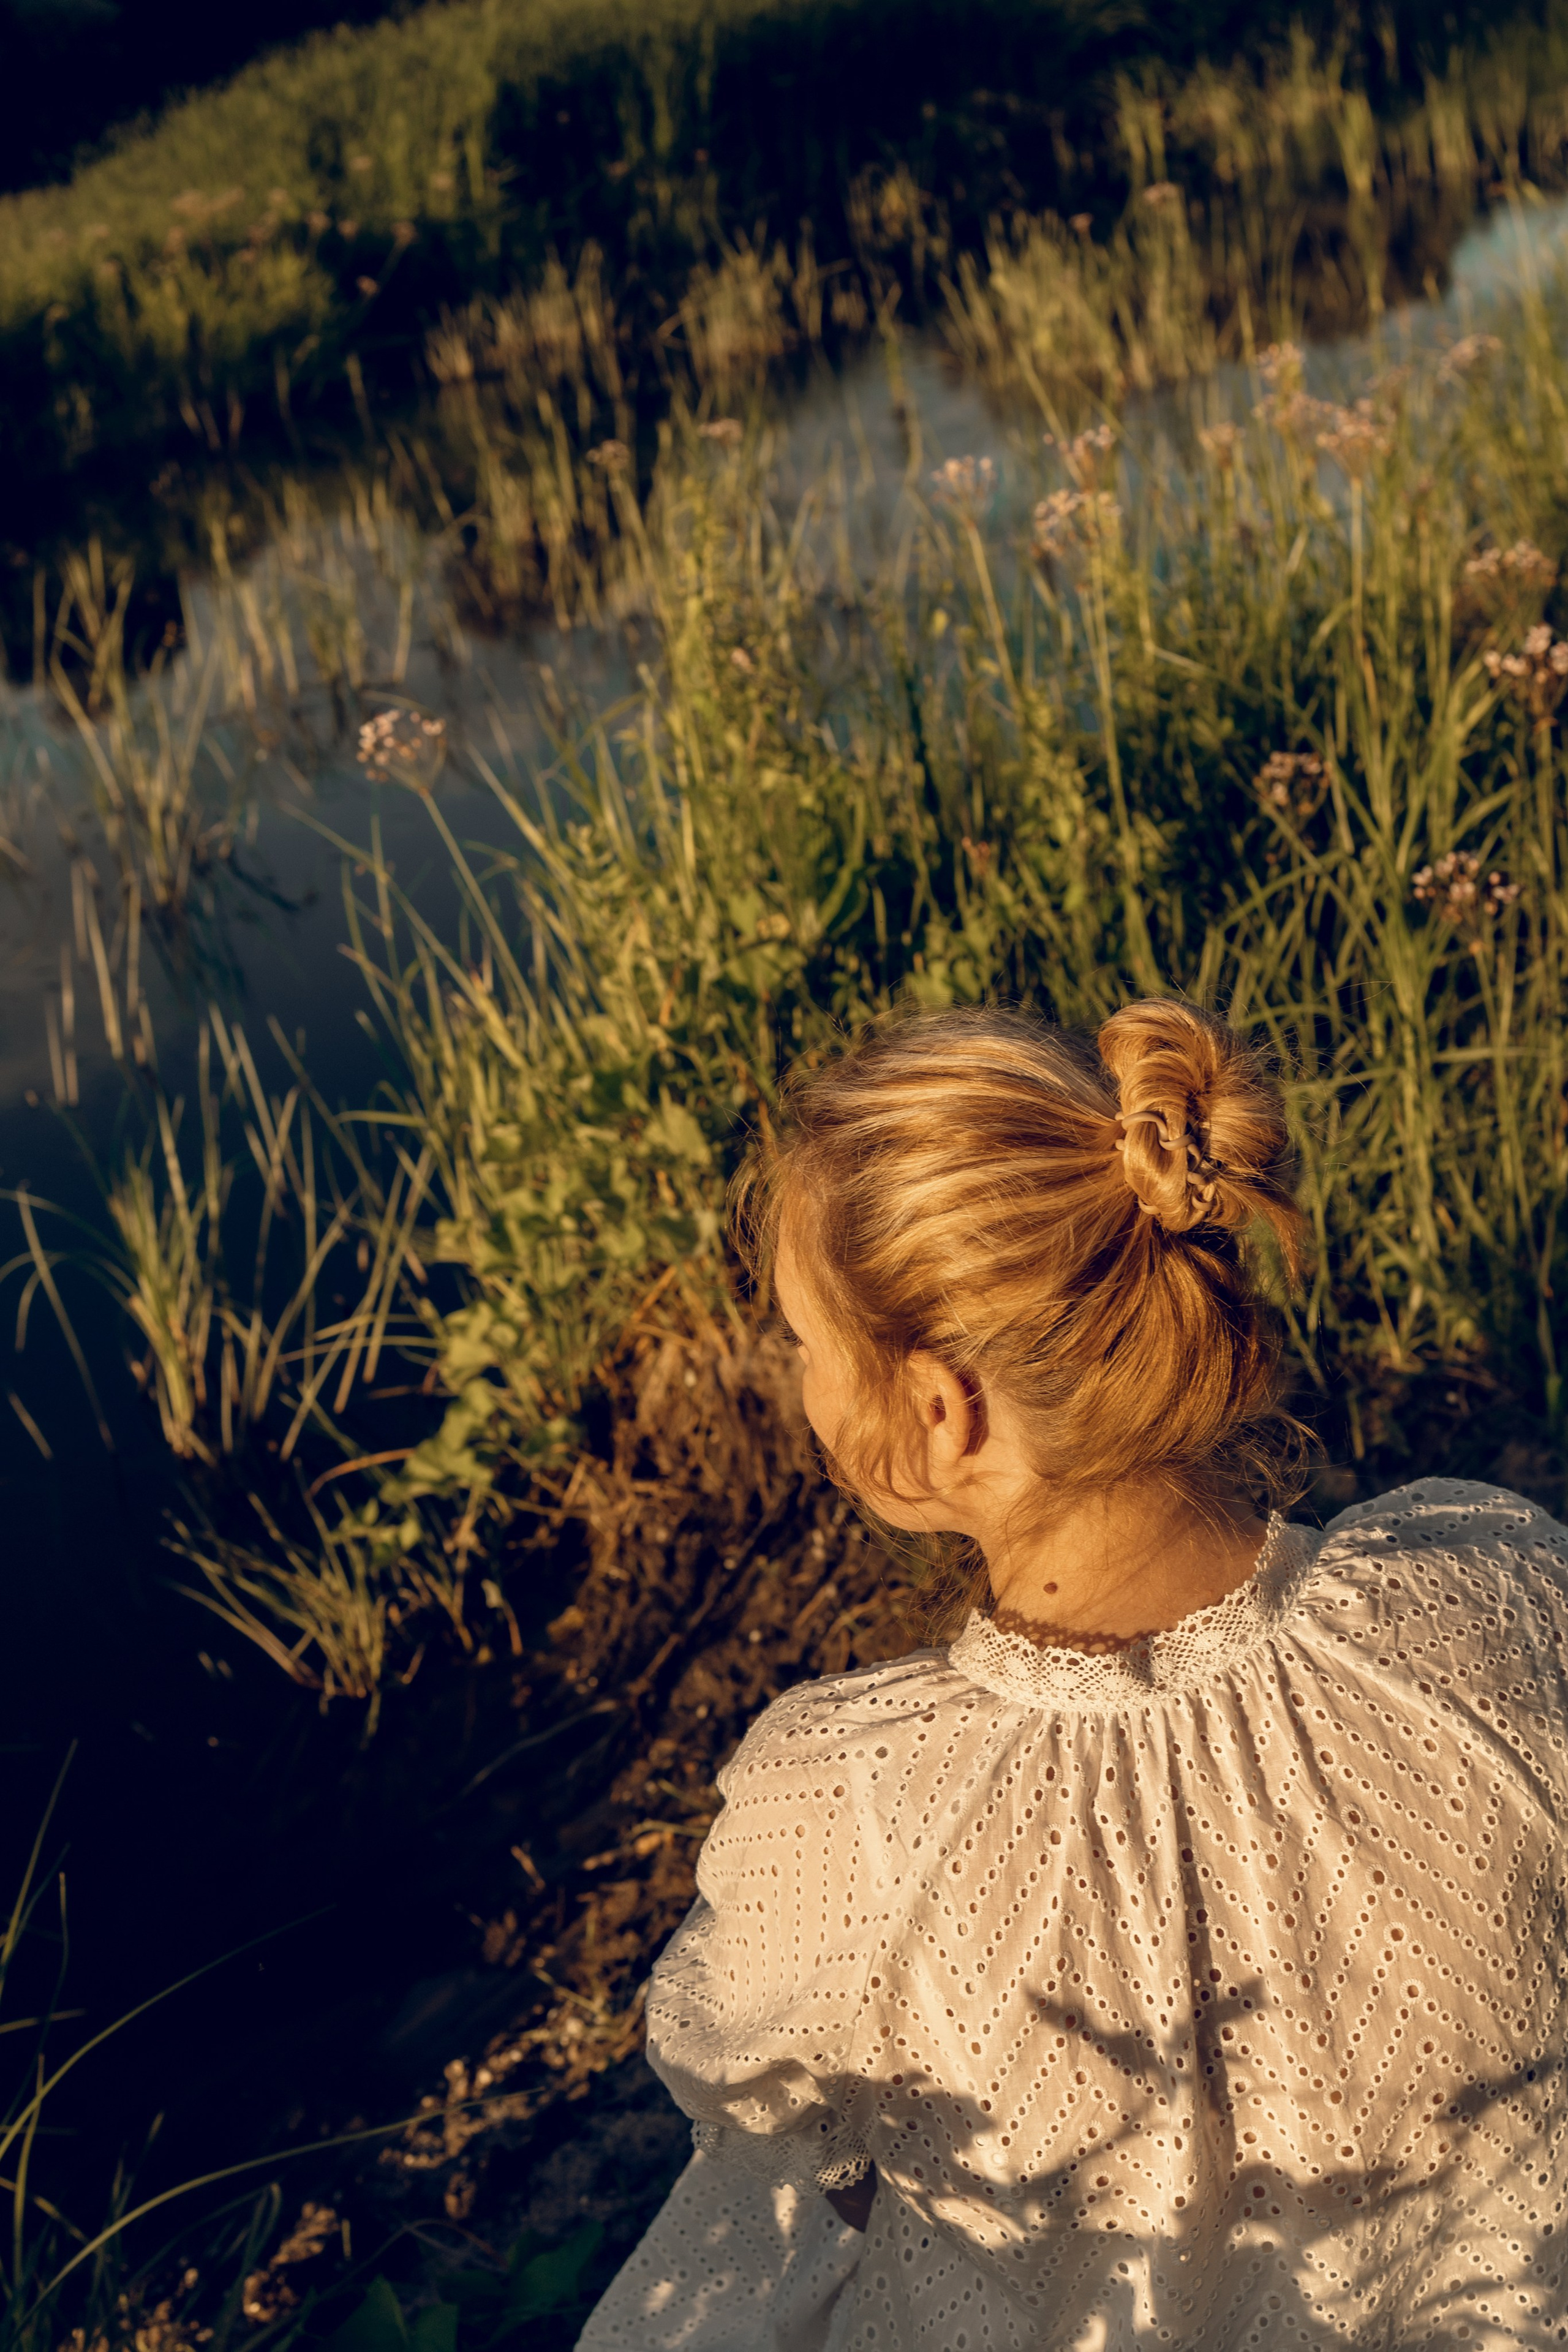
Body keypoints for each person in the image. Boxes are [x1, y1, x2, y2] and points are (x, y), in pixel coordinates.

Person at [577, 1000, 1568, 2351]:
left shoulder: (849, 1806)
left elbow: (737, 2084)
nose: (800, 1380)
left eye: (805, 1343)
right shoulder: (1492, 1584)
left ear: (942, 1411)